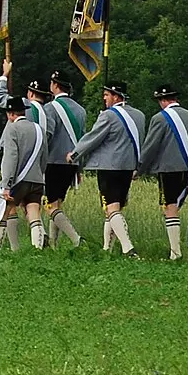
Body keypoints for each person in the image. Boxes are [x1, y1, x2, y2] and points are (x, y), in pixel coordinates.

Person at [70, 82, 145, 256]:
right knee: (113, 209)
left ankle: (128, 248)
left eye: (106, 95)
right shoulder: (139, 116)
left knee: (111, 208)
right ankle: (107, 249)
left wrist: (75, 154)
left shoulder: (108, 116)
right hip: (128, 166)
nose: (104, 98)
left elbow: (93, 138)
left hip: (108, 167)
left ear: (116, 96)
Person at [141, 85, 188, 261]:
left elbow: (151, 146)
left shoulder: (159, 119)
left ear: (163, 100)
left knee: (170, 208)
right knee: (177, 206)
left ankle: (175, 252)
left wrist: (140, 168)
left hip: (168, 169)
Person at [0, 92, 48, 252]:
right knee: (34, 214)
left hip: (18, 181)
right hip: (37, 179)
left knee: (4, 213)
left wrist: (6, 184)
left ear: (10, 114)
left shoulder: (12, 129)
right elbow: (44, 157)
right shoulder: (39, 129)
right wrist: (40, 173)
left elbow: (10, 158)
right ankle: (37, 250)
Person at [40, 70, 87, 249]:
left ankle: (76, 239)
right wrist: (79, 168)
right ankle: (53, 244)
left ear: (55, 85)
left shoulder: (50, 108)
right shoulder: (81, 110)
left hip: (53, 161)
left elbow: (48, 135)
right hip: (71, 163)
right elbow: (82, 140)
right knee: (57, 203)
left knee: (51, 205)